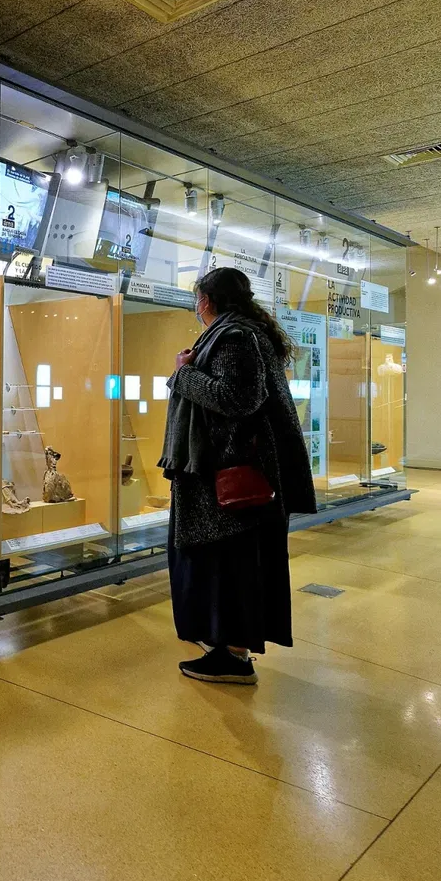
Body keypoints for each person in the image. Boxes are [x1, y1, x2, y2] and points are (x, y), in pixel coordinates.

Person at [159, 267, 316, 684]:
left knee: (229, 564)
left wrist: (183, 373)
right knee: (225, 563)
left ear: (206, 301)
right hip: (227, 473)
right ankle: (223, 642)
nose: (196, 308)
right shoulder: (243, 333)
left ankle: (234, 656)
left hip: (229, 478)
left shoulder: (234, 337)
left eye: (197, 300)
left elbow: (237, 398)